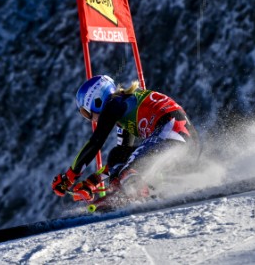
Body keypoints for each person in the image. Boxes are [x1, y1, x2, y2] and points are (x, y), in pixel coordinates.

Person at [52, 75, 200, 202]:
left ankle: (135, 197)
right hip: (182, 144)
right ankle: (149, 190)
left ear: (97, 101)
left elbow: (96, 142)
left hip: (172, 136)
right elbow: (121, 159)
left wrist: (69, 177)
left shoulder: (114, 104)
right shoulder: (123, 109)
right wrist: (92, 182)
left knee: (127, 173)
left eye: (86, 112)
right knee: (118, 157)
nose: (90, 119)